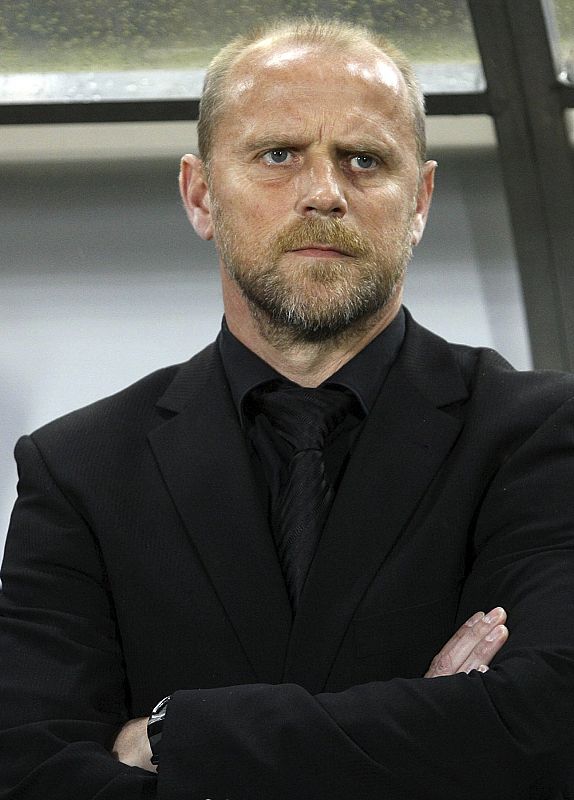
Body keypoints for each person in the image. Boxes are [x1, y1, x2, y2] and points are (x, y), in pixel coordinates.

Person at [1, 17, 574, 800]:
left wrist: (170, 735)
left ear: (420, 201)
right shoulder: (79, 470)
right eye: (279, 155)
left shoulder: (540, 434)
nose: (324, 193)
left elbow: (547, 724)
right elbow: (29, 772)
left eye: (364, 159)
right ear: (201, 195)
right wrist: (435, 720)